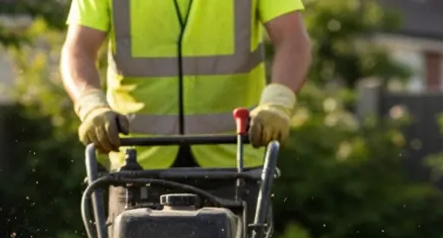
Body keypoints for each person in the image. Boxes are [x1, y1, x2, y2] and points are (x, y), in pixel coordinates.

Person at [60, 0, 313, 172]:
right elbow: (79, 49)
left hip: (235, 158)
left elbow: (293, 39)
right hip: (136, 160)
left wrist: (278, 101)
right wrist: (90, 104)